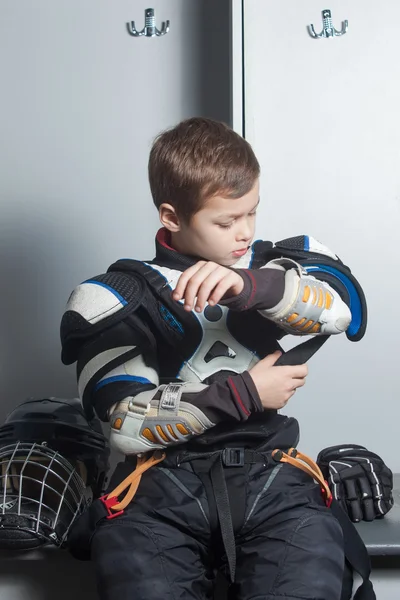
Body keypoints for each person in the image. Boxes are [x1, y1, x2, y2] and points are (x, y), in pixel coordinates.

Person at [60, 118, 361, 600]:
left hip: (273, 481)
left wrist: (251, 287)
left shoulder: (271, 269)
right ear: (172, 217)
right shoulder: (118, 296)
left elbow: (344, 312)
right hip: (159, 490)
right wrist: (245, 393)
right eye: (225, 221)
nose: (243, 233)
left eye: (251, 213)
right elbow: (125, 424)